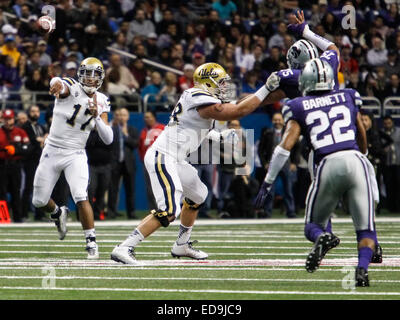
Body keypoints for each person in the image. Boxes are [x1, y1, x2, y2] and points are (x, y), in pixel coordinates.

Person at [110, 62, 279, 264]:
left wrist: (220, 136)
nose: (224, 87)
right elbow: (237, 111)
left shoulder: (201, 101)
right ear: (206, 83)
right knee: (169, 211)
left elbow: (199, 130)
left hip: (176, 159)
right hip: (163, 156)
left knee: (199, 194)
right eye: (220, 82)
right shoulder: (196, 95)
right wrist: (265, 89)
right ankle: (124, 247)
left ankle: (181, 245)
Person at [254, 59, 379, 287]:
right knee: (366, 229)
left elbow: (285, 145)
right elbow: (361, 130)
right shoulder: (349, 95)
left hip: (327, 163)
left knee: (313, 225)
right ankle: (362, 270)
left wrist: (268, 181)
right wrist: (364, 155)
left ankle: (322, 238)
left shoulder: (298, 105)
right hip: (355, 159)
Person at [32, 57, 113, 259]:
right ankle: (58, 214)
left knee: (80, 195)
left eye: (94, 75)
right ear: (80, 74)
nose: (90, 78)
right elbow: (59, 83)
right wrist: (55, 83)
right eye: (86, 73)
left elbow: (108, 138)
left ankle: (91, 242)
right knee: (39, 200)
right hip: (52, 149)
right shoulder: (70, 86)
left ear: (101, 78)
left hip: (75, 153)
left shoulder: (101, 100)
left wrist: (96, 116)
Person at [258, 112, 297, 218]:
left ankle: (291, 211)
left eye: (279, 120)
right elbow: (260, 150)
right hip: (272, 164)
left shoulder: (288, 132)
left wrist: (294, 162)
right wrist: (264, 163)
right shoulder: (267, 132)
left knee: (288, 189)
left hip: (286, 164)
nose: (277, 122)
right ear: (272, 121)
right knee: (270, 190)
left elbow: (296, 147)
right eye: (275, 120)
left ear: (283, 121)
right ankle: (268, 212)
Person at [107, 107, 139, 219]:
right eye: (120, 115)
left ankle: (131, 213)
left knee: (130, 190)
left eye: (124, 115)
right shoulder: (112, 129)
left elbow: (135, 144)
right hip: (115, 163)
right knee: (113, 189)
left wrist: (126, 135)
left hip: (128, 164)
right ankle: (111, 212)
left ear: (128, 117)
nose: (122, 117)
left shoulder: (132, 129)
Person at [0, 109, 30, 223]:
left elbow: (28, 148)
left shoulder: (20, 132)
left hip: (16, 166)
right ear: (3, 119)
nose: (8, 121)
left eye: (10, 119)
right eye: (6, 119)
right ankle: (3, 218)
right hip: (2, 165)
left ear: (13, 119)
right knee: (1, 193)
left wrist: (16, 150)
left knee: (16, 192)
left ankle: (18, 218)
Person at [21, 105, 46, 221]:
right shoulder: (25, 126)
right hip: (30, 161)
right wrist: (40, 141)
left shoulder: (41, 126)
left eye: (37, 111)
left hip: (41, 161)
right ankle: (24, 214)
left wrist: (40, 140)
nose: (35, 113)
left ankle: (40, 214)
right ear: (29, 112)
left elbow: (46, 139)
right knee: (28, 187)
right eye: (32, 111)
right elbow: (33, 141)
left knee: (42, 187)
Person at [138, 111, 165, 209]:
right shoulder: (144, 131)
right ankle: (153, 210)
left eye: (149, 117)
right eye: (145, 117)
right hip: (149, 164)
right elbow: (140, 148)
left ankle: (166, 209)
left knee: (163, 186)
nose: (147, 119)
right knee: (150, 188)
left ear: (154, 118)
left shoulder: (162, 129)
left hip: (162, 162)